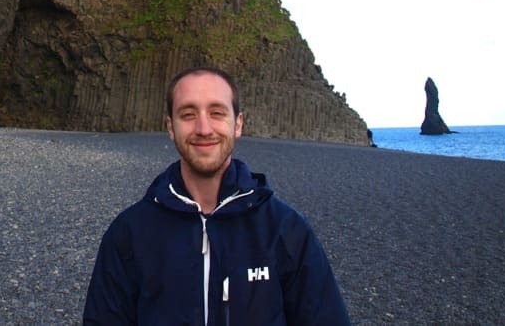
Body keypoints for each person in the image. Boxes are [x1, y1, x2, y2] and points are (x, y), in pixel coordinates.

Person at [83, 66, 350, 325]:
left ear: (238, 124)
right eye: (188, 114)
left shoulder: (285, 230)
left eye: (217, 113)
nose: (204, 128)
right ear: (170, 127)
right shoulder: (130, 233)